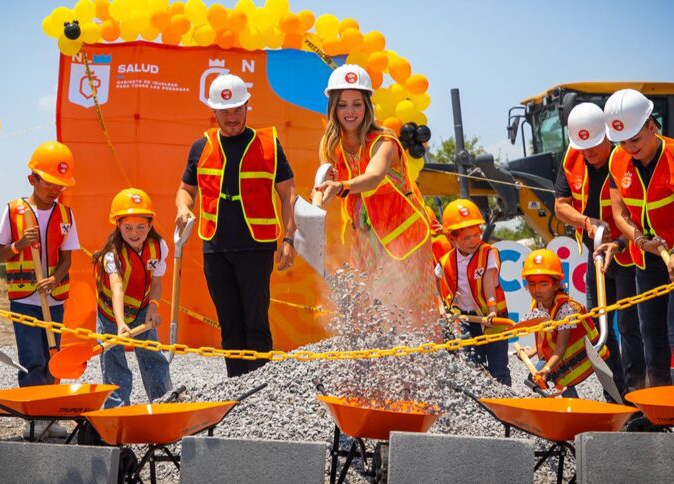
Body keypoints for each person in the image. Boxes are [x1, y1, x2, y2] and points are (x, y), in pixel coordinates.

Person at [175, 73, 297, 378]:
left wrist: (289, 238)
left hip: (255, 246)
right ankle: (236, 386)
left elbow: (288, 193)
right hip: (215, 247)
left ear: (247, 106)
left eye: (237, 109)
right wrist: (182, 208)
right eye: (225, 111)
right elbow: (185, 189)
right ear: (214, 112)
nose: (231, 117)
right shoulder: (200, 146)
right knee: (228, 323)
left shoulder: (269, 144)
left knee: (255, 322)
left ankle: (259, 391)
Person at [598, 88, 674, 386]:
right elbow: (620, 214)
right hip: (648, 255)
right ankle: (660, 404)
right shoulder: (617, 161)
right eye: (622, 142)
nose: (629, 148)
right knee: (649, 329)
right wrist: (639, 241)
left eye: (635, 139)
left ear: (652, 126)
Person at [314, 64, 437, 322]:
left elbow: (373, 177)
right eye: (342, 104)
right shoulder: (331, 144)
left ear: (367, 106)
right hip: (364, 239)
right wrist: (317, 205)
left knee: (413, 311)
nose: (349, 111)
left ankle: (426, 357)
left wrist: (342, 186)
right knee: (369, 308)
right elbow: (325, 181)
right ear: (333, 107)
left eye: (356, 104)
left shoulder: (385, 142)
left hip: (405, 237)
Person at [0, 141, 79, 437]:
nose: (55, 189)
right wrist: (19, 245)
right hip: (25, 302)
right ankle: (35, 417)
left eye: (60, 184)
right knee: (33, 359)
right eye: (50, 183)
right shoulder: (14, 211)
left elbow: (67, 258)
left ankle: (51, 415)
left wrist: (54, 278)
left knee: (54, 358)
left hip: (54, 301)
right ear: (33, 179)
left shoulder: (66, 215)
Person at [553, 102, 639, 396]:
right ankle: (615, 392)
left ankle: (636, 393)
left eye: (593, 146)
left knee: (628, 326)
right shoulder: (571, 160)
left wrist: (620, 240)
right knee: (597, 322)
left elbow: (637, 213)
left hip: (627, 253)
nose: (588, 153)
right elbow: (560, 206)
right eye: (583, 147)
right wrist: (586, 222)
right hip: (597, 255)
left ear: (607, 135)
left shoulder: (625, 157)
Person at [93, 188, 172, 407]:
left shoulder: (159, 247)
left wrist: (153, 307)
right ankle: (117, 409)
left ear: (150, 224)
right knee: (113, 358)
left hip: (141, 310)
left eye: (140, 227)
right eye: (128, 227)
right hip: (111, 313)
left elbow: (156, 282)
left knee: (152, 355)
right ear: (118, 225)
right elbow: (117, 286)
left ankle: (163, 401)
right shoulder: (112, 254)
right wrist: (119, 323)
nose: (134, 233)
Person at [438, 199, 511, 385]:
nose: (473, 241)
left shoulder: (487, 254)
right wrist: (440, 306)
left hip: (492, 317)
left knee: (498, 365)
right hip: (467, 320)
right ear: (452, 239)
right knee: (472, 363)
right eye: (466, 238)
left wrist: (492, 310)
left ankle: (505, 397)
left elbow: (488, 282)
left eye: (476, 234)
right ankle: (481, 398)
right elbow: (435, 283)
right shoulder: (446, 260)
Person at [520, 249, 609, 398]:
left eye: (543, 284)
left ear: (556, 285)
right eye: (531, 284)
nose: (536, 290)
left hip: (578, 356)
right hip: (559, 355)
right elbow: (547, 335)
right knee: (535, 378)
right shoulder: (538, 303)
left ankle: (574, 413)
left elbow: (560, 348)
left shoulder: (566, 309)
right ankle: (555, 410)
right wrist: (533, 351)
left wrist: (547, 369)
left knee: (562, 379)